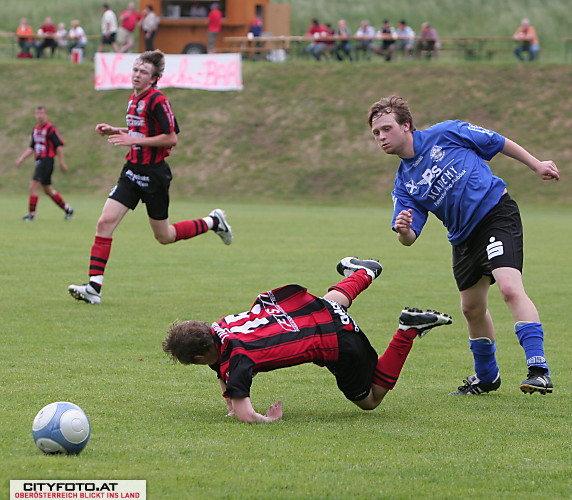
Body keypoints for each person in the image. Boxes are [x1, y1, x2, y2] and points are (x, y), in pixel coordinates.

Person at [367, 95, 560, 396]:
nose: (381, 137)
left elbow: (497, 141)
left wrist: (536, 164)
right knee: (471, 309)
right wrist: (403, 229)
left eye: (386, 129)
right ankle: (487, 377)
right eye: (376, 133)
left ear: (406, 126)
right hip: (462, 238)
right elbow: (409, 238)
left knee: (509, 287)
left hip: (495, 214)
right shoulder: (404, 183)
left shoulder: (447, 132)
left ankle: (539, 370)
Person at [163, 257, 452, 423]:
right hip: (309, 309)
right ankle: (365, 272)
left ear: (200, 357)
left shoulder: (237, 360)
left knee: (371, 401)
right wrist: (229, 402)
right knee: (331, 304)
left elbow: (246, 415)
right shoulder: (220, 327)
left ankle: (407, 330)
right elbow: (221, 369)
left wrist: (269, 418)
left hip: (337, 342)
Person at [68, 50, 233, 305]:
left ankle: (213, 221)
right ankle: (94, 288)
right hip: (132, 171)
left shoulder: (158, 100)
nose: (136, 75)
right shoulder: (133, 99)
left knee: (164, 236)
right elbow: (140, 130)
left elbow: (171, 137)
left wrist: (134, 139)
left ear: (154, 78)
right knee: (105, 223)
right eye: (135, 70)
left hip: (154, 175)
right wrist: (117, 130)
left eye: (143, 72)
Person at [16, 106, 74, 222]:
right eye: (37, 113)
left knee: (33, 185)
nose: (40, 115)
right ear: (35, 115)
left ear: (46, 115)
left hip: (47, 160)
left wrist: (62, 162)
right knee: (47, 190)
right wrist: (22, 158)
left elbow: (59, 145)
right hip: (39, 161)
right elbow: (32, 147)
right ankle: (68, 209)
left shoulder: (50, 129)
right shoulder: (35, 130)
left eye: (42, 113)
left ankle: (31, 215)